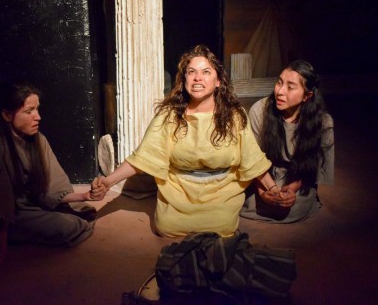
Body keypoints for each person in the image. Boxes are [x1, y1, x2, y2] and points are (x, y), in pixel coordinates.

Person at [91, 45, 278, 237]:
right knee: (167, 227)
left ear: (218, 82)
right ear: (184, 80)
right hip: (178, 192)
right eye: (191, 72)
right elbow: (142, 158)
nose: (197, 78)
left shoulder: (235, 116)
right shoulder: (169, 116)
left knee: (221, 230)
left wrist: (273, 188)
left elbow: (252, 158)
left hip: (222, 192)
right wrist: (108, 181)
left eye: (206, 72)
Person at [0, 83, 100, 266]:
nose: (37, 117)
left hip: (34, 202)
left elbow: (51, 186)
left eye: (37, 109)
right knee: (70, 226)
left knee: (83, 209)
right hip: (12, 214)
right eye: (29, 111)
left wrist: (85, 195)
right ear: (7, 115)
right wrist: (1, 250)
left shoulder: (38, 139)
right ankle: (11, 235)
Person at [240, 60, 334, 223]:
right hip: (262, 176)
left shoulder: (322, 122)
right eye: (279, 83)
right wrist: (264, 193)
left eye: (290, 87)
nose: (280, 91)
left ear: (307, 96)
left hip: (296, 177)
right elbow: (252, 158)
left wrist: (291, 189)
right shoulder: (260, 111)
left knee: (295, 208)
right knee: (248, 201)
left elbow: (312, 165)